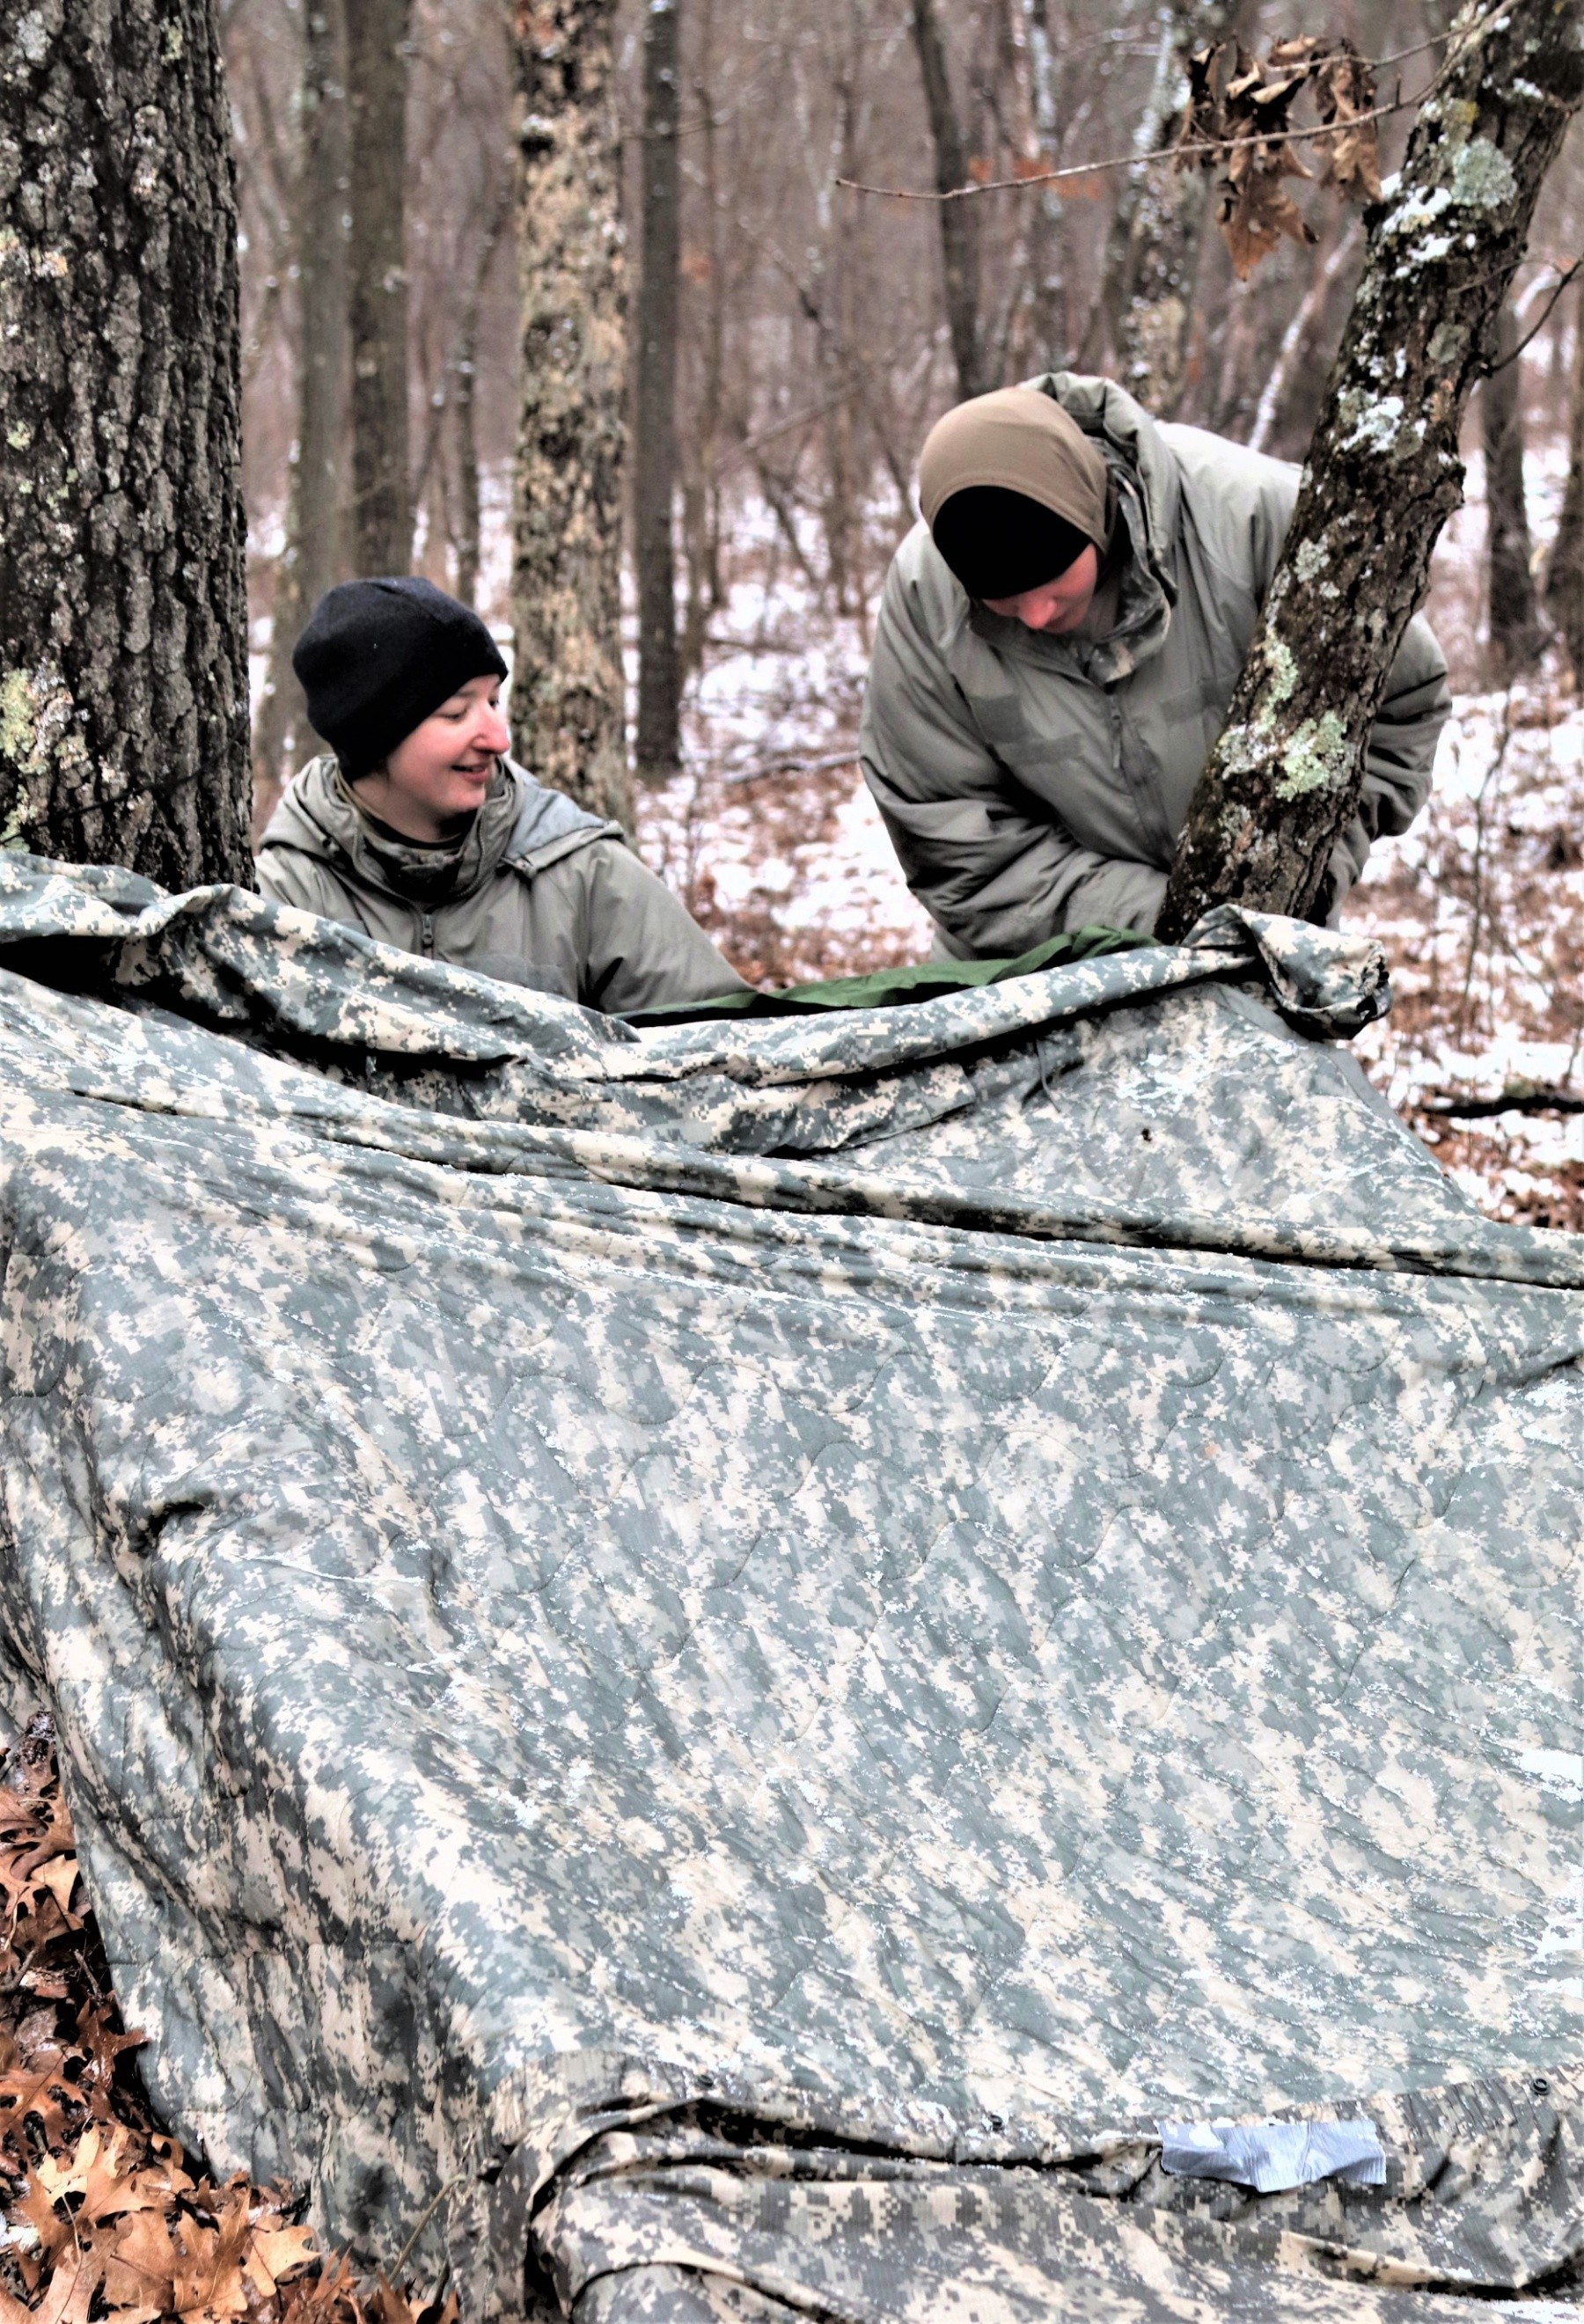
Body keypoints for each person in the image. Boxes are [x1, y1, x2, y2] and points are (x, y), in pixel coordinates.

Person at [859, 374, 1451, 957]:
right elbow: (952, 839)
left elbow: (1401, 704)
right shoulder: (926, 599)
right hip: (1036, 963)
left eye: (1055, 587)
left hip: (1265, 948)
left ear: (1094, 514)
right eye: (1006, 604)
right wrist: (1164, 921)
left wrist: (1311, 863)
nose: (1036, 615)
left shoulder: (1255, 520)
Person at [256, 577, 748, 1015]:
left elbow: (727, 1050)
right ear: (373, 735)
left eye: (493, 702)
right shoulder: (288, 893)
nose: (498, 738)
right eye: (456, 712)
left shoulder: (579, 872)